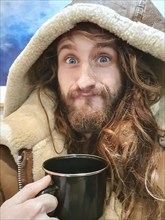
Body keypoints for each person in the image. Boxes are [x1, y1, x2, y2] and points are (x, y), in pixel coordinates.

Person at [0, 0, 165, 219]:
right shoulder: (8, 158)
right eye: (70, 59)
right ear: (54, 71)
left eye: (103, 58)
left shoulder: (159, 161)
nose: (84, 81)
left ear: (130, 71)